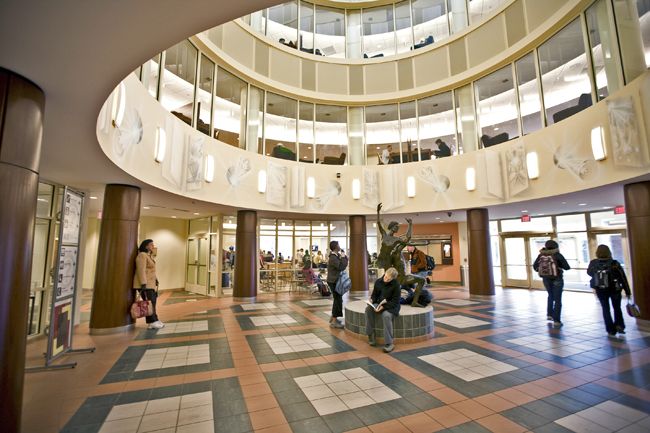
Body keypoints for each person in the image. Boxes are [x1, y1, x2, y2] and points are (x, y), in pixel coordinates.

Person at [376, 203, 428, 307]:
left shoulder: (397, 241)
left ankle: (414, 301)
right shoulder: (385, 236)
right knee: (387, 282)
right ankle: (384, 300)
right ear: (392, 227)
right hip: (386, 260)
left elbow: (407, 238)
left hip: (396, 269)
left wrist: (410, 224)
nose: (398, 228)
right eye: (396, 227)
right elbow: (378, 223)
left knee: (421, 280)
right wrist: (378, 212)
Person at [587, 245, 631, 336]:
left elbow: (589, 273)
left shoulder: (593, 263)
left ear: (597, 253)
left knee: (605, 309)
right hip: (614, 289)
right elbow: (622, 277)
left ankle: (610, 330)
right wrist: (628, 291)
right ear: (609, 252)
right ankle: (619, 325)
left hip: (600, 289)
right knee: (617, 308)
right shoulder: (614, 263)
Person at [533, 240, 571, 327]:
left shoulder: (541, 255)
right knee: (558, 299)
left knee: (550, 295)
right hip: (557, 279)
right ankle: (557, 320)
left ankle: (549, 315)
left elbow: (535, 266)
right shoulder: (557, 255)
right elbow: (567, 267)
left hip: (546, 279)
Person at [366, 267, 401, 353]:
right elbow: (374, 295)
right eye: (385, 277)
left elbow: (395, 301)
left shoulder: (396, 285)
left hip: (391, 306)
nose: (386, 279)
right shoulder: (378, 281)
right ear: (385, 273)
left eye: (388, 279)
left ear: (393, 279)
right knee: (368, 309)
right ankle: (371, 334)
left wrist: (383, 307)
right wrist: (371, 300)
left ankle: (389, 343)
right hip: (379, 303)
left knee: (386, 315)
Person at [133, 239, 164, 329]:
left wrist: (156, 279)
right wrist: (143, 283)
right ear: (146, 246)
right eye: (151, 245)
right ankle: (152, 322)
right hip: (145, 284)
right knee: (149, 303)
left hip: (150, 284)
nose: (153, 246)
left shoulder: (148, 255)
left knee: (152, 302)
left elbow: (151, 270)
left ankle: (155, 320)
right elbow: (141, 270)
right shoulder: (142, 255)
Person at [327, 240, 348, 328]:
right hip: (333, 281)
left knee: (338, 299)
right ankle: (334, 321)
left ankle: (333, 317)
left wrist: (344, 257)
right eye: (338, 245)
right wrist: (343, 258)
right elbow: (341, 267)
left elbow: (344, 263)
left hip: (335, 280)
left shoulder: (336, 256)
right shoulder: (333, 257)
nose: (340, 246)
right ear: (335, 246)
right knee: (338, 300)